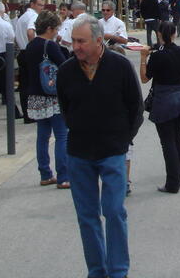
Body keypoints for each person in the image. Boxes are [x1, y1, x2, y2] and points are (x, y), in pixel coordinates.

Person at [57, 14, 144, 278]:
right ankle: (97, 271)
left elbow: (136, 108)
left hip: (112, 151)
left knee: (115, 212)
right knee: (87, 216)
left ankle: (118, 271)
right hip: (79, 153)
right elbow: (66, 109)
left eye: (81, 41)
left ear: (98, 41)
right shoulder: (66, 71)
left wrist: (122, 140)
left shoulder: (119, 66)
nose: (76, 47)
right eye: (73, 41)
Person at [140, 21, 180, 193]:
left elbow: (145, 78)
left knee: (167, 142)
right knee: (177, 139)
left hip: (164, 99)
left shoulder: (157, 56)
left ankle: (172, 182)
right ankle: (178, 179)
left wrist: (143, 58)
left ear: (159, 34)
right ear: (174, 34)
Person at [25, 10, 70, 188]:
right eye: (56, 28)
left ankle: (45, 173)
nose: (58, 32)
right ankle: (63, 176)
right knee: (61, 135)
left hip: (35, 95)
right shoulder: (49, 46)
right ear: (50, 28)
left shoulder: (31, 45)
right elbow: (64, 65)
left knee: (42, 136)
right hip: (52, 95)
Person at [15, 0, 44, 123]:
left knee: (24, 85)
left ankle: (27, 114)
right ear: (32, 4)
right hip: (29, 51)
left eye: (42, 5)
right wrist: (35, 46)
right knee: (33, 83)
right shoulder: (33, 16)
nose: (41, 8)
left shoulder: (22, 17)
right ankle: (33, 113)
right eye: (39, 5)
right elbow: (30, 32)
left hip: (22, 51)